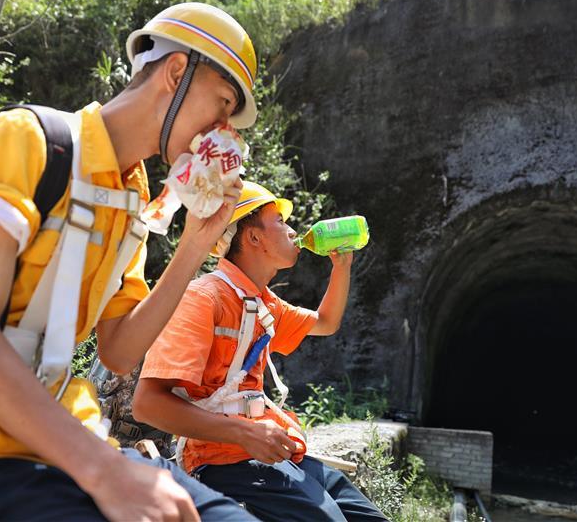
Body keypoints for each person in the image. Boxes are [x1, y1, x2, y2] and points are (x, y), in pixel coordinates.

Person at [0, 3, 262, 521]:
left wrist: (196, 244)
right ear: (176, 74)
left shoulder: (132, 196)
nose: (224, 129)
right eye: (221, 104)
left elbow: (120, 351)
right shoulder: (24, 141)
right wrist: (106, 473)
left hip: (59, 442)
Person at [133, 181, 388, 521]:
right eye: (281, 222)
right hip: (221, 460)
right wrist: (244, 432)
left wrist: (342, 267)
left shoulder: (262, 303)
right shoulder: (202, 298)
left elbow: (326, 322)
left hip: (268, 451)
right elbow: (147, 404)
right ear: (253, 238)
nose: (293, 230)